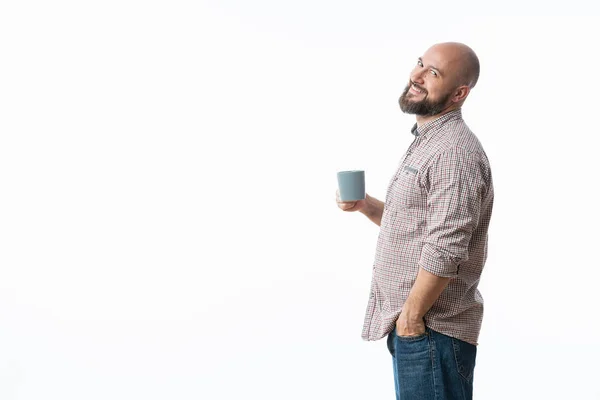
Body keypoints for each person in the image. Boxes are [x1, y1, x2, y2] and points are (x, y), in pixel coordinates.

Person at [336, 42, 494, 399]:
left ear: (459, 93)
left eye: (432, 73)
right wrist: (364, 205)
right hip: (417, 327)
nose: (416, 76)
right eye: (420, 64)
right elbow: (417, 224)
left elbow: (446, 247)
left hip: (429, 329)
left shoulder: (453, 152)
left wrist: (410, 318)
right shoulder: (430, 140)